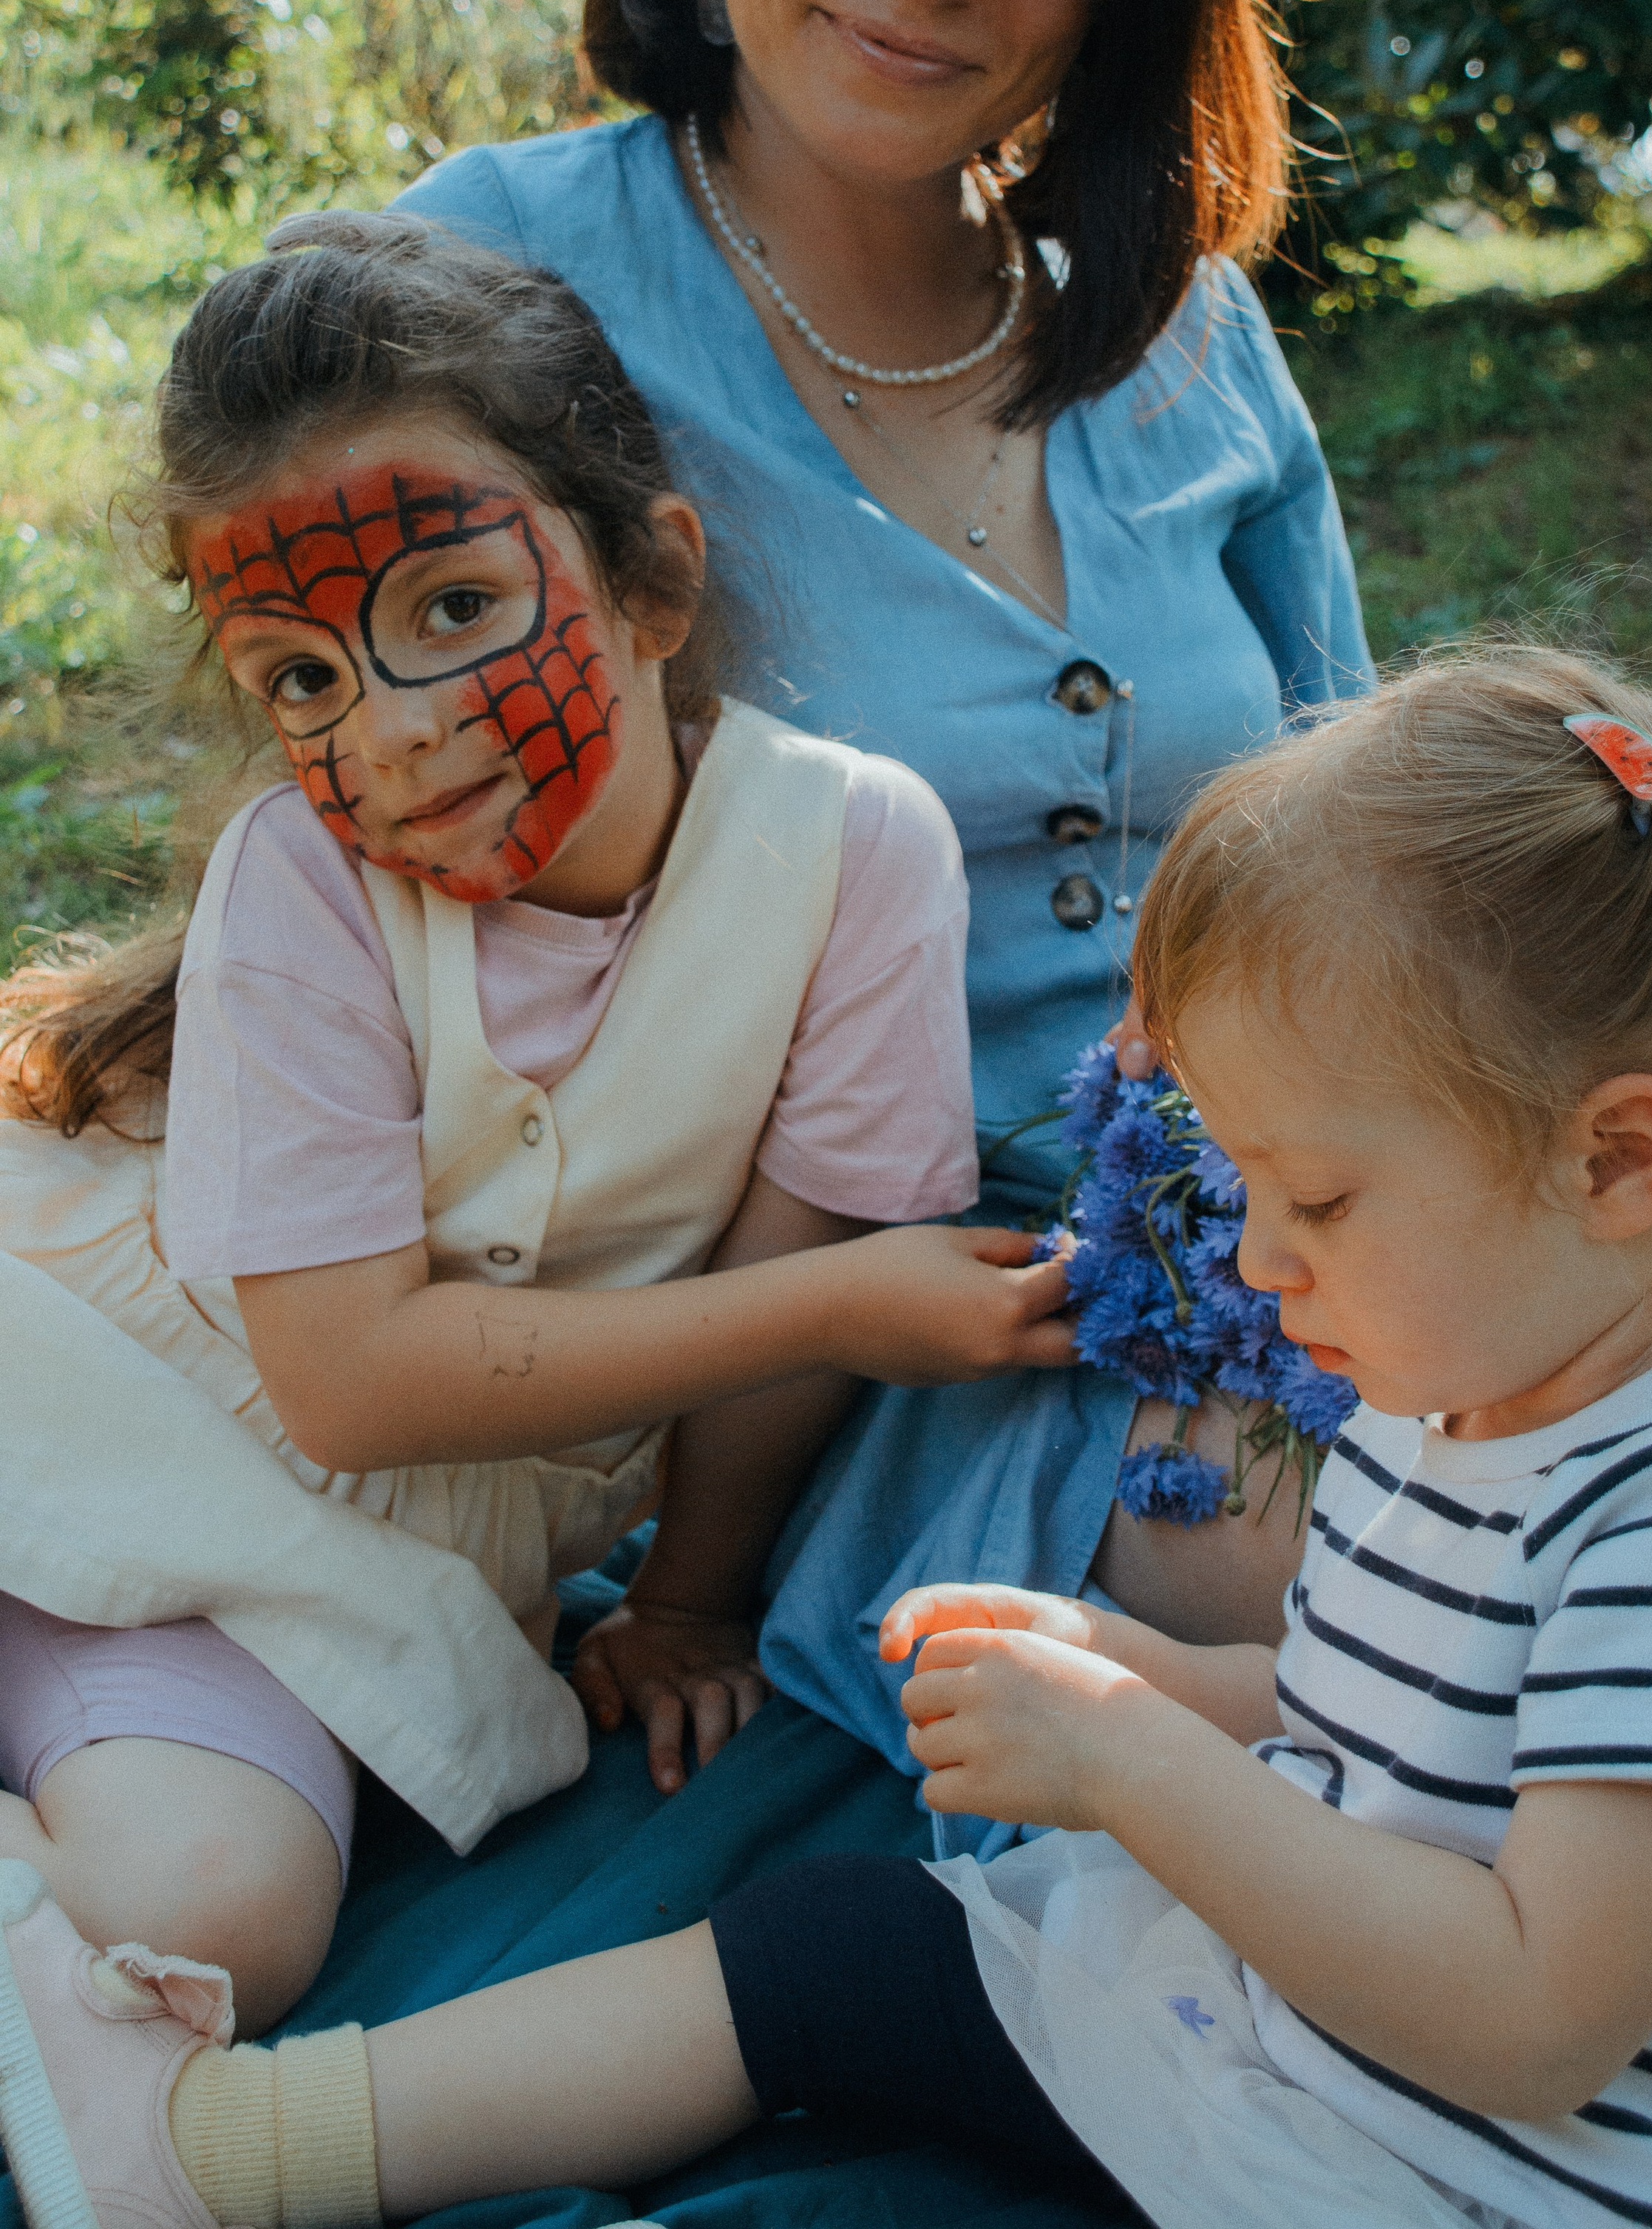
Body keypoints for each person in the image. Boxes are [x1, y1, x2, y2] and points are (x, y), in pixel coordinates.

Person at [12, 642, 1652, 2229]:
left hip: (1531, 2223)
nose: (1251, 1265)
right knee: (845, 1950)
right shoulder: (1482, 1366)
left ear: (1618, 1160)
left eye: (1314, 1200)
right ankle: (202, 2156)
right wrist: (1150, 1678)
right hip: (1351, 2088)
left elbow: (1530, 2015)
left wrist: (1134, 1767)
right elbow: (1408, 1738)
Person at [399, 0, 1373, 1788]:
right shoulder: (490, 287)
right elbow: (366, 892)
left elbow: (1373, 836)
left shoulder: (1182, 338)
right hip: (830, 1341)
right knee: (1347, 1574)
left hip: (1323, 1223)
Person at [0, 211, 1073, 2035]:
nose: (398, 733)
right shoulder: (305, 876)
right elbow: (352, 1379)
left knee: (215, 1923)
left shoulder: (848, 853)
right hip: (73, 1396)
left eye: (457, 610)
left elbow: (787, 1279)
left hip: (312, 1577)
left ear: (652, 582)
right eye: (304, 679)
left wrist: (691, 1605)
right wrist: (834, 1312)